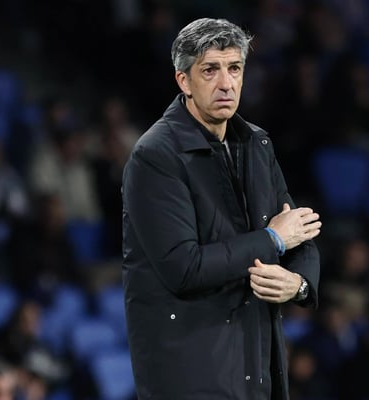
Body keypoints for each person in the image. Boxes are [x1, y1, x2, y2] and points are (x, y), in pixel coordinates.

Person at [121, 17, 321, 400]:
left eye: (235, 69)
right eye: (210, 70)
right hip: (191, 372)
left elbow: (299, 232)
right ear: (184, 81)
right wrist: (271, 240)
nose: (226, 83)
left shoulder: (257, 145)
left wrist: (298, 284)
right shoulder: (155, 156)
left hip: (256, 364)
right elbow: (184, 268)